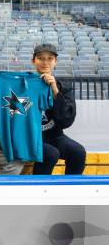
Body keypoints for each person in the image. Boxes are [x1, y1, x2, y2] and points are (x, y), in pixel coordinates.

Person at [29, 44, 85, 174]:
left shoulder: (63, 87)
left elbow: (66, 121)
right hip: (30, 137)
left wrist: (55, 90)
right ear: (33, 61)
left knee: (78, 152)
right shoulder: (24, 85)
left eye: (50, 58)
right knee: (51, 153)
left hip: (55, 136)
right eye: (41, 58)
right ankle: (39, 189)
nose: (45, 62)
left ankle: (71, 189)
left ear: (55, 61)